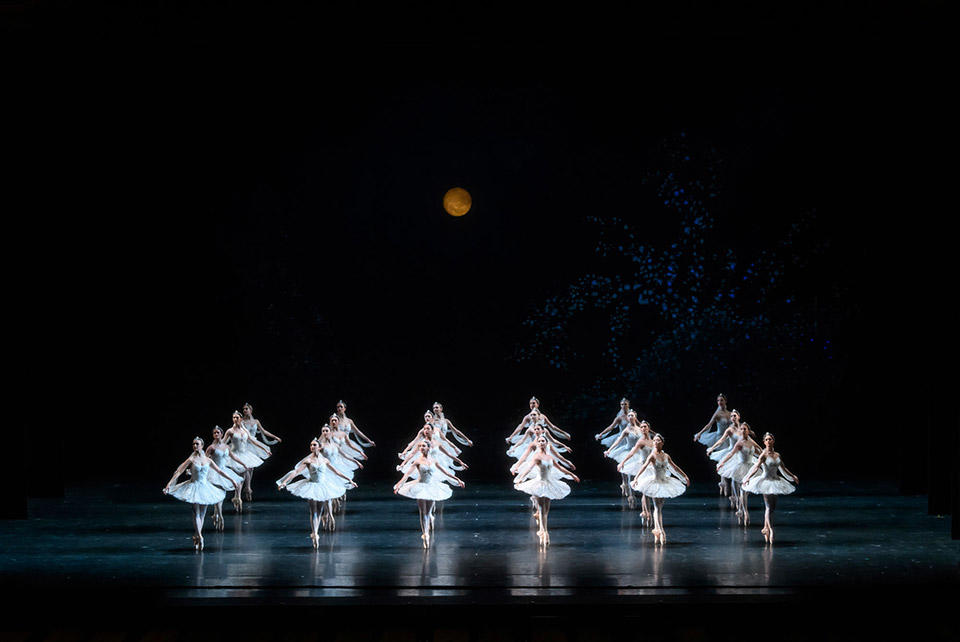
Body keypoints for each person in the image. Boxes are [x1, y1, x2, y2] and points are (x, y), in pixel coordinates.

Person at [163, 436, 240, 550]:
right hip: (194, 487)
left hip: (205, 487)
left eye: (197, 444)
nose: (195, 446)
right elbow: (179, 471)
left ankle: (198, 534)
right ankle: (199, 535)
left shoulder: (208, 460)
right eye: (193, 444)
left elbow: (219, 471)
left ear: (202, 446)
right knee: (196, 512)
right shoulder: (191, 460)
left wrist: (232, 480)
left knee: (202, 514)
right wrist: (169, 484)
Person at [276, 439, 357, 547]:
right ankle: (315, 533)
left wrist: (349, 480)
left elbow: (336, 472)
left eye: (314, 445)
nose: (312, 446)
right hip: (312, 486)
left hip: (323, 486)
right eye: (311, 445)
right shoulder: (308, 460)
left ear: (319, 447)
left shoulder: (325, 460)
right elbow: (296, 472)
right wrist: (285, 482)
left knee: (319, 511)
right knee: (313, 511)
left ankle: (316, 532)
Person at [393, 439, 465, 548]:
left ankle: (429, 522)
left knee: (429, 511)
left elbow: (446, 472)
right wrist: (398, 485)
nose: (421, 448)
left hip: (432, 486)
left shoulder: (434, 461)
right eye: (420, 446)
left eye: (423, 446)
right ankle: (425, 534)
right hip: (420, 486)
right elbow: (407, 475)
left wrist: (457, 480)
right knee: (423, 512)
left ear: (428, 447)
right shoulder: (417, 461)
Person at [513, 435, 580, 547]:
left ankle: (544, 531)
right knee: (540, 508)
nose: (541, 442)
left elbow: (560, 468)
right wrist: (520, 478)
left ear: (546, 443)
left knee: (546, 511)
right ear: (538, 443)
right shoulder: (536, 456)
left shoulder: (550, 457)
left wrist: (572, 475)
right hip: (539, 483)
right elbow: (529, 468)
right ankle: (543, 531)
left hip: (549, 483)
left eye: (543, 441)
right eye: (539, 441)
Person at [631, 434, 690, 545]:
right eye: (655, 440)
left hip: (665, 482)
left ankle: (657, 530)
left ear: (662, 443)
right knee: (657, 507)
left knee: (659, 508)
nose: (656, 442)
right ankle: (661, 531)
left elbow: (675, 467)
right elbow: (643, 467)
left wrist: (684, 476)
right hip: (655, 483)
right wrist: (636, 478)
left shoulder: (666, 456)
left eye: (658, 440)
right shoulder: (652, 455)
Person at [741, 432, 798, 543]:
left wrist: (793, 476)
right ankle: (771, 530)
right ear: (764, 442)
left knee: (772, 508)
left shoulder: (777, 455)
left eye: (770, 439)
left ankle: (766, 527)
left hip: (775, 481)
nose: (768, 441)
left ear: (773, 441)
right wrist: (747, 477)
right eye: (766, 439)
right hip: (765, 482)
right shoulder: (763, 455)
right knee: (768, 507)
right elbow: (756, 467)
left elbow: (783, 468)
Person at [716, 422, 762, 524]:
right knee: (743, 491)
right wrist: (722, 462)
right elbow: (731, 454)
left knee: (746, 491)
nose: (743, 431)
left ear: (748, 431)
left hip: (751, 467)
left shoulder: (752, 442)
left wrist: (765, 459)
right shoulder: (739, 443)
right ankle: (745, 512)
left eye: (745, 429)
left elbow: (761, 452)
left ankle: (741, 508)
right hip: (741, 467)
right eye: (741, 429)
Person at [223, 410, 270, 503]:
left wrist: (265, 449)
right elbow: (223, 443)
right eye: (233, 417)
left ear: (240, 419)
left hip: (245, 455)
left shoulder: (245, 431)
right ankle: (238, 495)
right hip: (235, 455)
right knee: (239, 476)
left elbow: (253, 441)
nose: (235, 419)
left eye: (237, 417)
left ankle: (239, 495)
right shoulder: (230, 431)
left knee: (244, 474)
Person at [205, 426, 247, 529]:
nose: (216, 434)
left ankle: (217, 513)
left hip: (224, 470)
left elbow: (233, 457)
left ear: (221, 434)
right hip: (215, 472)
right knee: (219, 494)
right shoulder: (211, 448)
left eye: (218, 432)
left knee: (235, 485)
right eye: (214, 433)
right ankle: (219, 515)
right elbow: (205, 461)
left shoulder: (226, 447)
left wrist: (243, 464)